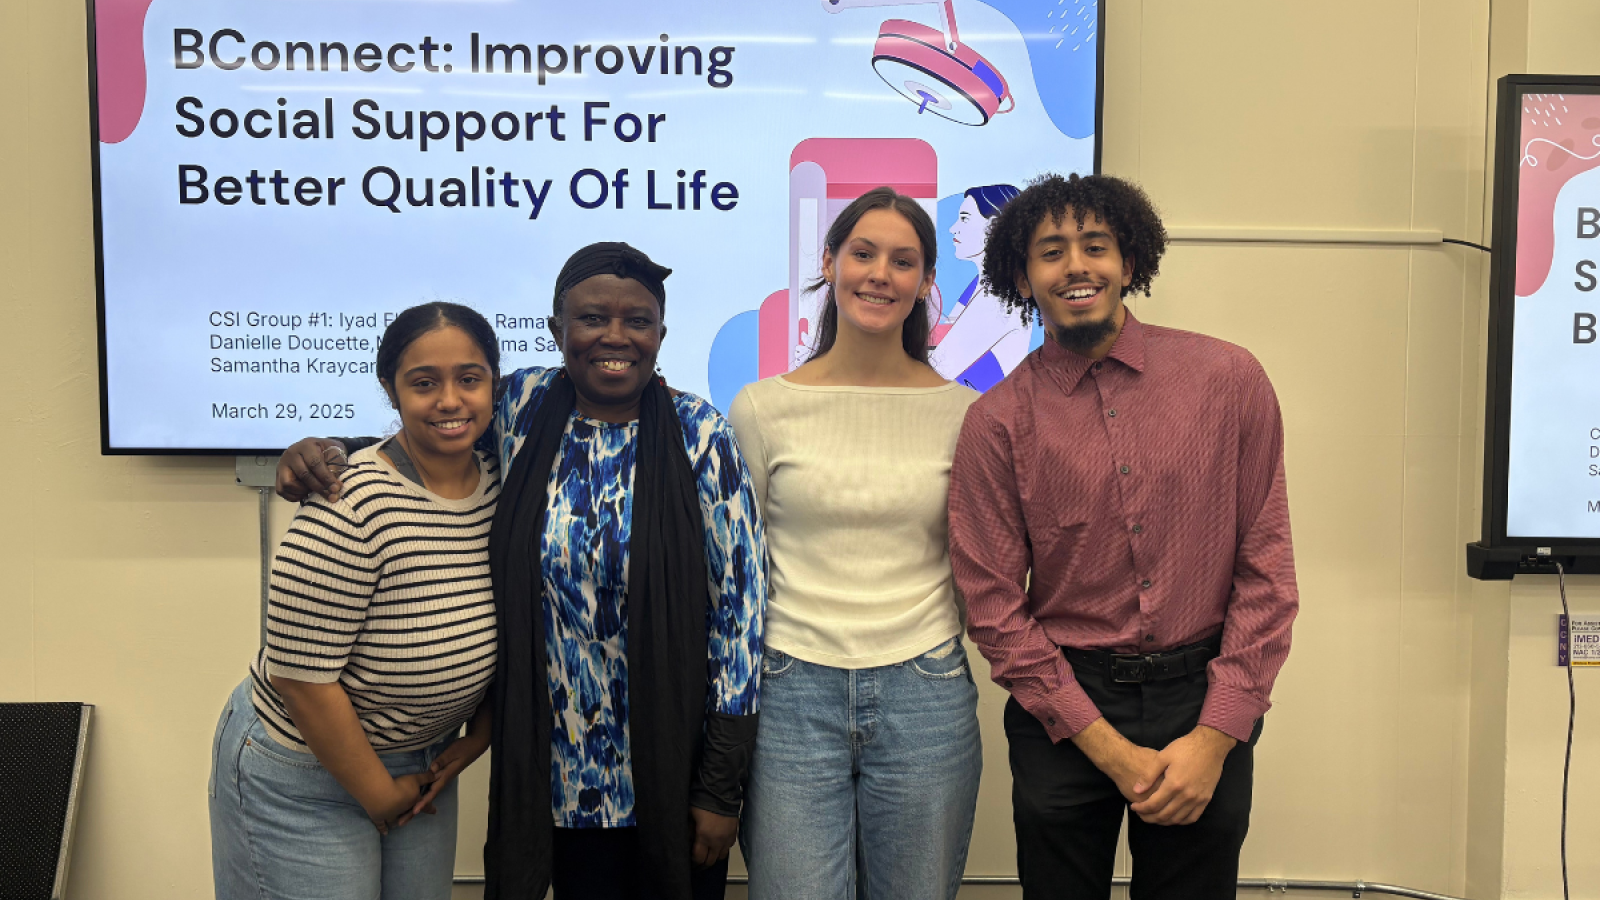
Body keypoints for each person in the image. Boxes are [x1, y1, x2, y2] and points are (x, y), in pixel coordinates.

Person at [275, 243, 766, 900]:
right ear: (557, 330)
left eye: (637, 321)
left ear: (661, 335)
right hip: (552, 780)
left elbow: (741, 614)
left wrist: (719, 783)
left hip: (673, 773)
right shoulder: (523, 406)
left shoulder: (700, 434)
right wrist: (329, 450)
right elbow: (429, 435)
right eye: (592, 318)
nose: (614, 336)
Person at [948, 172, 1299, 900]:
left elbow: (1266, 571)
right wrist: (1102, 745)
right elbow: (991, 606)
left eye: (1095, 246)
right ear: (1022, 276)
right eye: (1051, 252)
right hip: (1064, 708)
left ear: (1128, 263)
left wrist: (1214, 737)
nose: (1076, 265)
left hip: (1204, 697)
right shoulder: (997, 423)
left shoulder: (1228, 380)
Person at [729, 187, 982, 900]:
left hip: (924, 689)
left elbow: (981, 566)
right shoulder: (761, 407)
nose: (880, 274)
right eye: (863, 253)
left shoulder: (965, 415)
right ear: (829, 262)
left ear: (927, 282)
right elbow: (737, 573)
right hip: (788, 692)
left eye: (903, 261)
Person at [210, 302, 502, 900]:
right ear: (392, 393)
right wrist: (376, 790)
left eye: (469, 379)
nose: (450, 400)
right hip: (302, 775)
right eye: (424, 383)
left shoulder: (503, 482)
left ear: (493, 383)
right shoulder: (351, 500)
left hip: (422, 766)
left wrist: (475, 739)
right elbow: (300, 676)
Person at [930, 183, 1024, 391]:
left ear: (994, 226)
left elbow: (936, 372)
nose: (953, 228)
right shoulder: (980, 284)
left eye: (964, 218)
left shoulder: (999, 297)